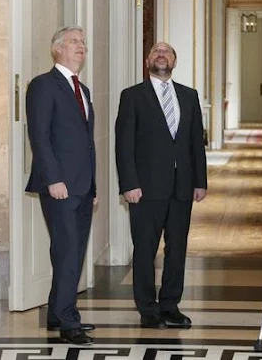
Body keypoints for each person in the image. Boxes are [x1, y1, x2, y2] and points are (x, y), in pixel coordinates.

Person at [115, 42, 208, 329]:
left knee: (177, 249)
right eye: (156, 51)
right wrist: (129, 183)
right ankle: (147, 308)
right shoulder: (132, 96)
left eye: (167, 52)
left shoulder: (189, 96)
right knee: (145, 249)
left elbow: (195, 142)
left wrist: (200, 181)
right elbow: (124, 144)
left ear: (175, 61)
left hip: (182, 187)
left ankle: (170, 305)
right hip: (145, 189)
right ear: (147, 60)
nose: (161, 55)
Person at [25, 25, 96, 345]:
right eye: (74, 42)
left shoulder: (83, 89)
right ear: (57, 49)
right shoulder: (43, 85)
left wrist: (92, 187)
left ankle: (56, 312)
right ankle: (69, 321)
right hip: (59, 185)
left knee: (72, 250)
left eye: (83, 42)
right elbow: (39, 136)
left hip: (82, 186)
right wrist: (53, 178)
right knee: (68, 251)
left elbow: (86, 143)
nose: (81, 46)